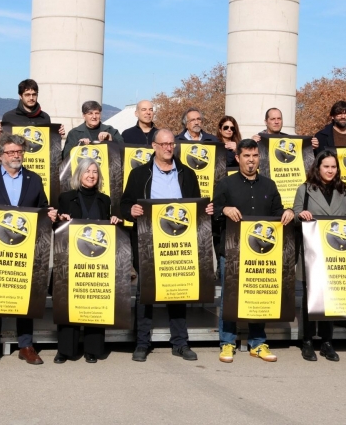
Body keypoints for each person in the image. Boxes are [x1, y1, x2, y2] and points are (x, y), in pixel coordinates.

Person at [120, 128, 214, 362]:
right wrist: (130, 211)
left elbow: (195, 209)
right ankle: (142, 342)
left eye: (171, 143)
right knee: (146, 294)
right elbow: (124, 205)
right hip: (148, 242)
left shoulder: (187, 174)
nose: (168, 148)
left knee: (177, 291)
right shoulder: (139, 174)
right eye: (163, 144)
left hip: (179, 243)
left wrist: (205, 211)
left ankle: (180, 343)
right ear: (154, 146)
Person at [0, 133, 58, 365]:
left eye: (19, 151)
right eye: (11, 152)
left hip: (26, 247)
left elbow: (42, 207)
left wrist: (49, 213)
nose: (16, 155)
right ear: (0, 156)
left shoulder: (34, 179)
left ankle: (26, 345)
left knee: (25, 295)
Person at [212, 139, 294, 363]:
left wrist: (287, 213)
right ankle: (227, 343)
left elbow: (278, 213)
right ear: (237, 158)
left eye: (255, 156)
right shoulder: (225, 184)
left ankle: (257, 343)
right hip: (231, 252)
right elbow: (212, 212)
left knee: (258, 293)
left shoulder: (269, 185)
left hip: (260, 254)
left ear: (259, 158)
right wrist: (224, 209)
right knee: (229, 298)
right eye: (246, 156)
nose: (251, 160)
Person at [292, 150, 346, 362]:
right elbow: (294, 215)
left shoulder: (342, 189)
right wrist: (301, 215)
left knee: (330, 296)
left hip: (333, 251)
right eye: (326, 166)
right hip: (311, 251)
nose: (330, 170)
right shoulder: (305, 189)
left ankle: (327, 342)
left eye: (333, 167)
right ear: (317, 168)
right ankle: (307, 342)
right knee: (311, 298)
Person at [55, 157, 121, 364]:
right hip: (70, 258)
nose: (91, 175)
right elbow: (56, 226)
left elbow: (108, 230)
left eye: (95, 172)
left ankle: (93, 349)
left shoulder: (105, 200)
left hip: (97, 259)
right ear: (78, 175)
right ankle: (66, 350)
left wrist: (113, 221)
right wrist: (59, 219)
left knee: (94, 301)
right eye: (87, 171)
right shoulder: (65, 198)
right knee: (68, 301)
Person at [0, 79, 66, 137]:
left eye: (34, 94)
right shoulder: (8, 117)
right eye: (27, 95)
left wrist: (57, 135)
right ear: (20, 96)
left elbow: (49, 143)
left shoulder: (45, 117)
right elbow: (4, 145)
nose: (31, 98)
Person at [252, 108, 320, 149]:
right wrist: (251, 145)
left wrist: (310, 147)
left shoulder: (290, 140)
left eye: (279, 119)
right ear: (266, 122)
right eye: (273, 119)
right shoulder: (258, 141)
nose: (276, 122)